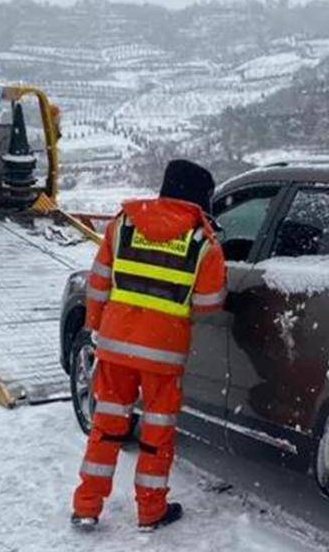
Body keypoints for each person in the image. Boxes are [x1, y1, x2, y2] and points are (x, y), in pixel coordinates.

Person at [72, 159, 227, 531]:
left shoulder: (122, 224)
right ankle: (151, 511)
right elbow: (209, 303)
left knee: (106, 427)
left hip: (114, 344)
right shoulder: (203, 241)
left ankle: (87, 507)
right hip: (164, 352)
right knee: (156, 435)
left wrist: (96, 326)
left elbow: (98, 282)